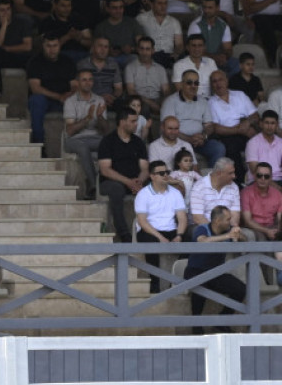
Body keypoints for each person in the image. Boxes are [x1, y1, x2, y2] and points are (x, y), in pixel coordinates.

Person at [184, 204, 245, 333]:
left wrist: (239, 235)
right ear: (218, 221)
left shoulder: (228, 230)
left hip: (216, 273)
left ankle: (223, 321)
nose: (231, 222)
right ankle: (196, 325)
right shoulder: (202, 228)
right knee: (200, 284)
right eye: (228, 219)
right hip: (196, 270)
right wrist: (227, 237)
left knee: (240, 289)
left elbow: (246, 242)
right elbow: (202, 241)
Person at [96, 107, 150, 243]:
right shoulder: (108, 141)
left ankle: (152, 230)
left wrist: (139, 182)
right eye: (132, 121)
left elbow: (145, 168)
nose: (136, 124)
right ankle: (124, 234)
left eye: (136, 121)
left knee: (154, 186)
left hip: (135, 182)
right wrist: (128, 182)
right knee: (116, 189)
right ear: (122, 122)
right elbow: (105, 170)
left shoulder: (138, 142)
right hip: (111, 182)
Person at [134, 160, 188, 292]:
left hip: (171, 229)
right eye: (161, 173)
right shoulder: (143, 194)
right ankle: (155, 285)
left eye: (167, 172)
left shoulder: (175, 193)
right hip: (150, 230)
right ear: (152, 176)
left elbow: (182, 218)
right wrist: (160, 238)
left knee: (192, 241)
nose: (165, 175)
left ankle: (177, 282)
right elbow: (142, 222)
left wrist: (179, 235)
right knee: (151, 243)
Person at [161, 69, 224, 167]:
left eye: (196, 83)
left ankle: (211, 179)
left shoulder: (203, 101)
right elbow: (167, 129)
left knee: (218, 148)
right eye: (189, 82)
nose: (193, 86)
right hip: (178, 141)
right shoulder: (170, 101)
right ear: (182, 84)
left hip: (199, 141)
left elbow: (209, 126)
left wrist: (203, 136)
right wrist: (188, 139)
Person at [62, 69, 110, 198]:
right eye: (84, 80)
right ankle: (94, 184)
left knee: (110, 143)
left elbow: (106, 130)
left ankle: (106, 183)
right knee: (83, 147)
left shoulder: (99, 100)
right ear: (77, 83)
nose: (87, 83)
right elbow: (70, 130)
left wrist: (100, 117)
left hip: (95, 138)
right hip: (74, 140)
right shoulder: (70, 101)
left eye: (90, 80)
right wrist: (87, 118)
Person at [25, 34, 77, 147]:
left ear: (59, 46)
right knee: (36, 100)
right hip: (45, 100)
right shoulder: (35, 62)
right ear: (43, 46)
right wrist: (59, 97)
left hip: (64, 100)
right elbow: (35, 88)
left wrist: (70, 95)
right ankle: (38, 143)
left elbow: (75, 85)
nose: (52, 49)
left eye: (55, 46)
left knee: (80, 99)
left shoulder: (68, 61)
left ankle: (77, 144)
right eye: (48, 46)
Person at [208, 69, 259, 184]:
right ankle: (240, 182)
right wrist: (239, 130)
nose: (218, 83)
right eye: (214, 81)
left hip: (246, 129)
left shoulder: (240, 95)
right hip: (228, 134)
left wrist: (247, 123)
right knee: (231, 147)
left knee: (259, 140)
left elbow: (255, 115)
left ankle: (262, 177)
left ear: (226, 81)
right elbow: (216, 128)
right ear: (211, 85)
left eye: (220, 80)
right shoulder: (210, 102)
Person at [242, 0, 282, 68]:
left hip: (277, 16)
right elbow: (249, 9)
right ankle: (274, 60)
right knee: (266, 26)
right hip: (258, 17)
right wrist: (269, 0)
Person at [0, 0, 32, 92]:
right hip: (6, 59)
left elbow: (28, 46)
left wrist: (7, 49)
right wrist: (4, 26)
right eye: (2, 10)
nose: (6, 13)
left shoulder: (22, 23)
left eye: (8, 9)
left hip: (21, 58)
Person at [188, 0, 234, 75]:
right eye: (204, 7)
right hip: (200, 59)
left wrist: (224, 56)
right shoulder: (196, 25)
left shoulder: (223, 26)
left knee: (236, 64)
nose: (206, 11)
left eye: (210, 8)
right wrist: (215, 58)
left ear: (218, 8)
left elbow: (228, 49)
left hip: (218, 59)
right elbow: (195, 50)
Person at [189, 157, 241, 228]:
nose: (234, 176)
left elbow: (235, 214)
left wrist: (230, 230)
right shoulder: (199, 187)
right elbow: (198, 217)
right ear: (219, 173)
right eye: (230, 173)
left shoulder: (234, 187)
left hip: (226, 227)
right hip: (204, 227)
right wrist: (215, 232)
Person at [136, 0, 183, 69]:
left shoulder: (174, 22)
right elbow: (137, 39)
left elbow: (179, 44)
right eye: (160, 3)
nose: (163, 6)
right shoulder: (141, 19)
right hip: (149, 55)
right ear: (152, 4)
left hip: (169, 56)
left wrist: (176, 53)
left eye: (165, 3)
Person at [93, 0, 142, 68]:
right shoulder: (101, 27)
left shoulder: (132, 23)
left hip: (129, 57)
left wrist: (131, 49)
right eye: (114, 8)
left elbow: (141, 45)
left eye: (120, 7)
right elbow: (95, 49)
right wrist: (108, 51)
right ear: (107, 9)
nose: (118, 11)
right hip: (108, 59)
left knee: (136, 59)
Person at [240, 161, 282, 243]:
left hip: (272, 227)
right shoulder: (246, 193)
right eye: (259, 175)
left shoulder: (278, 194)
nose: (263, 179)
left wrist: (277, 230)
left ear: (271, 178)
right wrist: (266, 231)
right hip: (254, 228)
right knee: (260, 238)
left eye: (266, 176)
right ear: (254, 176)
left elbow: (280, 218)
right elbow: (247, 221)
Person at [76, 37, 123, 106]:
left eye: (106, 47)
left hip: (110, 100)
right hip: (89, 100)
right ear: (93, 48)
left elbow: (118, 88)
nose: (103, 50)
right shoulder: (83, 65)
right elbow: (79, 88)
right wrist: (99, 98)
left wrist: (112, 97)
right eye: (100, 46)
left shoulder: (113, 65)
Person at [246, 110, 282, 182]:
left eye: (272, 123)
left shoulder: (280, 142)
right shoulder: (252, 143)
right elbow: (256, 171)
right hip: (259, 181)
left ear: (277, 125)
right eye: (266, 123)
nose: (269, 126)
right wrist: (277, 188)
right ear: (261, 124)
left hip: (279, 180)